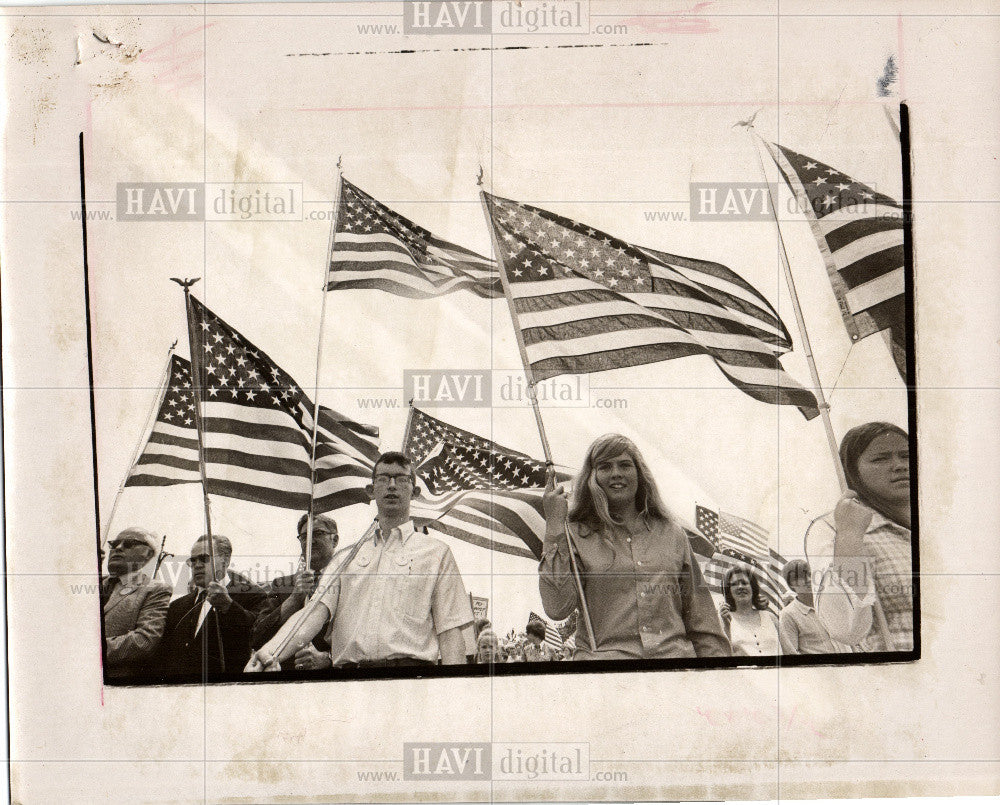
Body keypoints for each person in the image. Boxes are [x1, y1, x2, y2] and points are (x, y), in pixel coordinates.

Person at [246, 451, 475, 670]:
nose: (392, 485)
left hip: (409, 679)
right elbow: (313, 615)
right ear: (371, 490)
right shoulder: (345, 559)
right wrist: (271, 651)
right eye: (383, 479)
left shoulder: (436, 554)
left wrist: (453, 689)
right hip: (350, 681)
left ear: (414, 492)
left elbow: (450, 633)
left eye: (401, 479)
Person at [539, 433, 730, 660]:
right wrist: (553, 527)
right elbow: (557, 609)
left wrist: (720, 673)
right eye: (605, 466)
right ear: (592, 476)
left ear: (639, 474)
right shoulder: (576, 534)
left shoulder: (673, 534)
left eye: (625, 465)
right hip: (604, 675)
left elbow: (703, 621)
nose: (616, 473)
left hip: (675, 671)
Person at [809, 422, 913, 652]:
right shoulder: (832, 527)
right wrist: (849, 535)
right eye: (881, 458)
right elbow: (846, 629)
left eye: (906, 455)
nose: (900, 466)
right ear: (852, 471)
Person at [157, 535, 266, 675]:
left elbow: (257, 632)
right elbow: (164, 654)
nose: (197, 565)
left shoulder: (252, 595)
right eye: (193, 560)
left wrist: (229, 606)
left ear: (225, 561)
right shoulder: (177, 607)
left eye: (204, 558)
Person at [250, 513, 339, 671]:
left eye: (318, 533)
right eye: (304, 536)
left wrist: (328, 658)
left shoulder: (348, 582)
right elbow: (258, 637)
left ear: (335, 540)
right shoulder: (282, 584)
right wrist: (294, 599)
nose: (310, 540)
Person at [102, 527, 171, 678]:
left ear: (147, 554)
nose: (118, 548)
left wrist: (92, 650)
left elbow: (144, 641)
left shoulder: (155, 590)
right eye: (114, 544)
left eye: (129, 544)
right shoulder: (92, 583)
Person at [777, 559, 843, 654]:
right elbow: (790, 654)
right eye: (802, 577)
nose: (809, 580)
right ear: (791, 584)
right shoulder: (788, 615)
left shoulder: (830, 603)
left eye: (810, 574)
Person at [719, 566, 781, 656]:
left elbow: (788, 651)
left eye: (744, 583)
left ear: (753, 588)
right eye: (734, 584)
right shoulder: (723, 619)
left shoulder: (770, 617)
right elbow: (722, 655)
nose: (740, 587)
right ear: (728, 591)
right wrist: (726, 625)